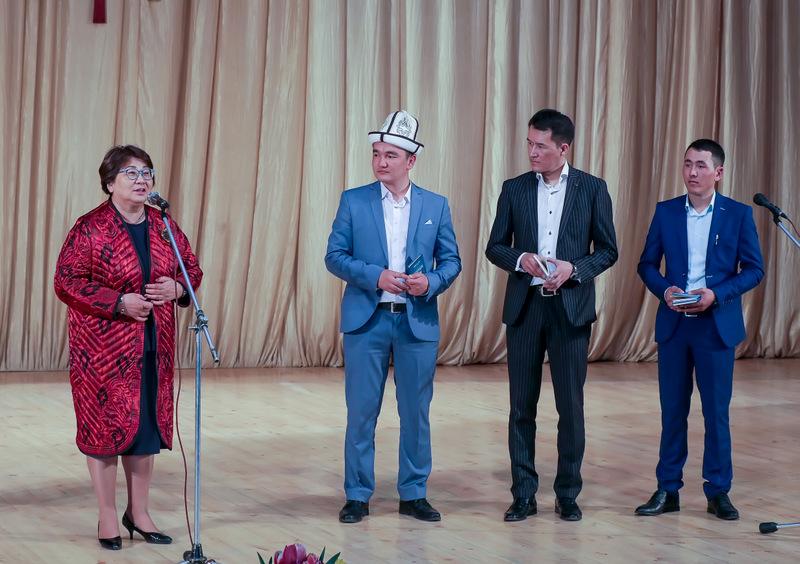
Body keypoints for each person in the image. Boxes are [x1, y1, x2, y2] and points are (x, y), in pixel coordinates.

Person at [54, 145, 203, 549]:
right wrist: (118, 302)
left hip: (154, 341)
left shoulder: (163, 225)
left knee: (145, 428)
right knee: (104, 430)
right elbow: (66, 282)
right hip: (103, 349)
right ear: (109, 183)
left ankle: (139, 512)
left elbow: (191, 269)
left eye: (146, 172)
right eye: (131, 173)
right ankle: (107, 515)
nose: (141, 180)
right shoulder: (90, 227)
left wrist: (178, 288)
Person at [325, 110, 461, 524]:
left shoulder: (436, 205)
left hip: (416, 323)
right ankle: (357, 494)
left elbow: (451, 262)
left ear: (411, 160)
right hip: (367, 322)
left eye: (390, 155)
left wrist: (431, 282)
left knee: (415, 412)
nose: (381, 162)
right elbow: (334, 256)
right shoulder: (354, 200)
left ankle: (414, 493)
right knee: (361, 411)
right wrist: (376, 276)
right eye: (376, 154)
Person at [485, 109, 617, 522]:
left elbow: (608, 250)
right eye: (529, 143)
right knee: (520, 407)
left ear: (563, 148)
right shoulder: (514, 188)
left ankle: (567, 493)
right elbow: (494, 246)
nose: (532, 152)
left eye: (540, 145)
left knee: (570, 408)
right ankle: (523, 494)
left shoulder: (593, 189)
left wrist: (574, 269)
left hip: (570, 310)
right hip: (525, 309)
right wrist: (520, 258)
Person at [635, 139, 764, 520]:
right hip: (675, 325)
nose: (692, 172)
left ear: (718, 173)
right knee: (672, 411)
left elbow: (754, 269)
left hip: (715, 328)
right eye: (687, 164)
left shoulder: (737, 215)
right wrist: (665, 291)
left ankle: (718, 491)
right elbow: (646, 264)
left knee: (716, 413)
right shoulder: (666, 212)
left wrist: (717, 295)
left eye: (701, 166)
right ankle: (667, 488)